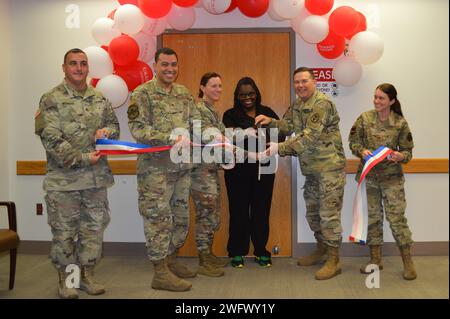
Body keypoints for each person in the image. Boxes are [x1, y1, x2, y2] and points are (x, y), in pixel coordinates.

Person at [34, 48, 120, 298]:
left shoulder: (100, 98)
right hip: (64, 181)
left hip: (95, 180)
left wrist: (106, 132)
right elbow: (51, 139)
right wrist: (83, 158)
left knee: (93, 230)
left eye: (83, 63)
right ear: (64, 67)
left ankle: (87, 277)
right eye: (73, 64)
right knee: (65, 233)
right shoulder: (51, 99)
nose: (79, 68)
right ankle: (68, 280)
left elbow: (114, 127)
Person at [255, 67, 346, 280]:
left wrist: (280, 147)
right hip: (312, 169)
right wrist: (271, 121)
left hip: (329, 169)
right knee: (313, 213)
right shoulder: (299, 104)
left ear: (314, 82)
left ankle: (334, 260)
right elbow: (288, 126)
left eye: (304, 81)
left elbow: (308, 136)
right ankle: (322, 249)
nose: (300, 85)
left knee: (329, 215)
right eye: (297, 82)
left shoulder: (322, 104)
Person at [128, 47, 201, 292]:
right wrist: (171, 138)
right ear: (156, 65)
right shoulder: (142, 93)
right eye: (165, 64)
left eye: (173, 64)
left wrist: (211, 136)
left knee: (180, 218)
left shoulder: (183, 93)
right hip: (155, 171)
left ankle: (171, 260)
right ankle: (159, 272)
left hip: (181, 168)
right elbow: (139, 130)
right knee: (158, 220)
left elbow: (194, 125)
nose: (170, 69)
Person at [349, 83, 417, 280]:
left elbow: (408, 152)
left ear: (392, 101)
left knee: (396, 219)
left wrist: (399, 156)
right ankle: (375, 260)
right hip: (369, 177)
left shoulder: (400, 123)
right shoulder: (364, 118)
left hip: (392, 179)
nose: (376, 101)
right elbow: (353, 142)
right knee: (373, 219)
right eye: (375, 97)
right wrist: (361, 151)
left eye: (381, 98)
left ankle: (407, 261)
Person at [223, 77, 279, 268]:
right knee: (238, 211)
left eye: (251, 93)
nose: (247, 98)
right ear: (237, 97)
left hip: (264, 170)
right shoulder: (229, 114)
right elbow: (227, 139)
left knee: (261, 211)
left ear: (257, 94)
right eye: (243, 95)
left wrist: (270, 127)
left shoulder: (267, 113)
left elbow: (282, 133)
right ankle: (236, 251)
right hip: (237, 171)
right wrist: (245, 130)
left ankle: (261, 250)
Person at [191, 72, 229, 277]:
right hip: (200, 171)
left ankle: (209, 253)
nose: (217, 89)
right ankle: (203, 260)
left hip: (211, 169)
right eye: (213, 85)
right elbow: (204, 133)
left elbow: (222, 137)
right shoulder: (198, 109)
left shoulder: (213, 110)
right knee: (205, 212)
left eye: (220, 86)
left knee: (212, 212)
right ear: (202, 87)